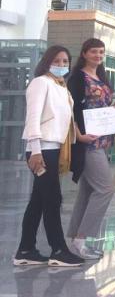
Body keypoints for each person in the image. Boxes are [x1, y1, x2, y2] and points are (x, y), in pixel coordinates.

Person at [14, 45, 85, 267]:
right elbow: (33, 118)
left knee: (38, 200)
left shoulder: (62, 87)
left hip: (55, 148)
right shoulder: (40, 83)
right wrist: (35, 150)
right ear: (47, 62)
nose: (62, 65)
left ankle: (25, 250)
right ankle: (58, 250)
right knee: (52, 200)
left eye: (66, 62)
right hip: (42, 149)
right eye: (57, 61)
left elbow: (66, 122)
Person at [67, 38, 115, 260]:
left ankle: (75, 240)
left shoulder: (102, 77)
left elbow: (100, 107)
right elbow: (72, 108)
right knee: (105, 189)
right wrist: (78, 135)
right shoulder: (78, 77)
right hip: (88, 142)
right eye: (94, 51)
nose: (98, 55)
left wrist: (113, 108)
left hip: (103, 141)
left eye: (101, 52)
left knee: (87, 192)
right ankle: (82, 239)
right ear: (84, 53)